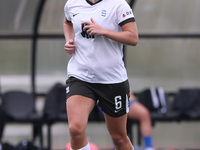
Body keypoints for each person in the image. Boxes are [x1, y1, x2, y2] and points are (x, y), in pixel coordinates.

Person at [63, 0, 138, 149]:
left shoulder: (118, 5)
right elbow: (68, 22)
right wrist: (69, 40)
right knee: (75, 130)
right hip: (80, 76)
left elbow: (133, 38)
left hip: (112, 80)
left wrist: (102, 31)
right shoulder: (72, 3)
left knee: (119, 138)